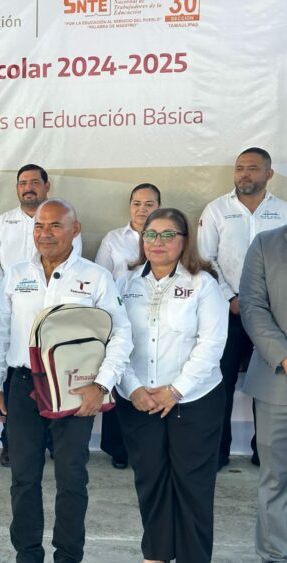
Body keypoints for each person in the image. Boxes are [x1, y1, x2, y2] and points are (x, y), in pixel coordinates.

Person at [0, 199, 131, 563]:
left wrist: (102, 385)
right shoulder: (16, 275)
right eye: (39, 226)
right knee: (23, 477)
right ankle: (27, 554)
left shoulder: (96, 277)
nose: (45, 234)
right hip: (23, 385)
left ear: (75, 230)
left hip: (74, 388)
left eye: (54, 226)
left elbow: (120, 334)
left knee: (71, 477)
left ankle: (68, 556)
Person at [116, 208, 227, 563]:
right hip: (140, 402)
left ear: (184, 241)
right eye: (151, 234)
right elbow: (115, 340)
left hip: (193, 402)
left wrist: (175, 390)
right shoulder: (125, 283)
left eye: (168, 235)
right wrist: (134, 388)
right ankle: (156, 555)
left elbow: (212, 345)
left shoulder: (203, 284)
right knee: (150, 482)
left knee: (193, 487)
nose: (157, 242)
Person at [0, 164, 81, 466]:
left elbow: (73, 262)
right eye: (22, 182)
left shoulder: (65, 218)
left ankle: (52, 444)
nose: (28, 187)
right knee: (17, 386)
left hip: (57, 320)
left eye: (34, 182)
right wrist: (12, 293)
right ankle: (10, 444)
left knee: (57, 386)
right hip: (19, 313)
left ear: (46, 186)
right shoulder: (3, 222)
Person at [198, 147, 287, 469]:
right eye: (239, 168)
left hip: (273, 317)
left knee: (271, 383)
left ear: (269, 174)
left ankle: (265, 452)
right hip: (229, 311)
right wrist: (229, 297)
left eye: (252, 168)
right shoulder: (217, 210)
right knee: (221, 383)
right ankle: (218, 452)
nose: (244, 174)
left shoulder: (283, 211)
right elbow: (205, 258)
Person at [94, 182, 161, 470]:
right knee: (120, 374)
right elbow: (101, 277)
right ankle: (118, 448)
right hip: (120, 317)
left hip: (158, 320)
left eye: (149, 204)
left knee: (151, 376)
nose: (142, 209)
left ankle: (150, 448)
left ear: (159, 207)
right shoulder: (113, 239)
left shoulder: (167, 237)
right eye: (137, 203)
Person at [239, 224, 287, 563]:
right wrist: (284, 356)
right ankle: (275, 554)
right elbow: (252, 305)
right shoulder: (266, 244)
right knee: (276, 477)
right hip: (277, 381)